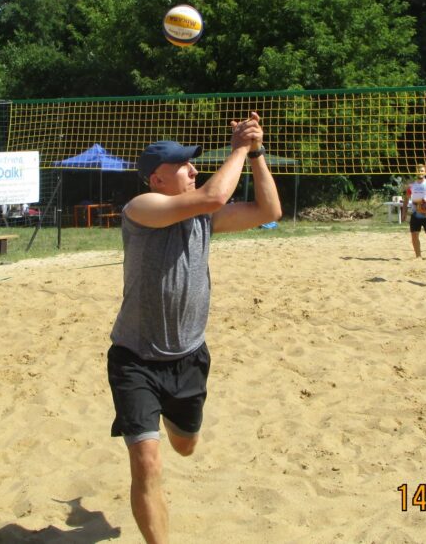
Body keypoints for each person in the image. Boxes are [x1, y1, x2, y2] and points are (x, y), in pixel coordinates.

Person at [108, 112, 281, 543]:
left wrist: (256, 152)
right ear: (158, 179)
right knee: (148, 463)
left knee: (185, 445)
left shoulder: (203, 218)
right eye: (184, 164)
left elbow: (269, 210)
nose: (194, 168)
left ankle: (171, 419)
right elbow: (211, 197)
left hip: (188, 358)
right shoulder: (141, 207)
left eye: (193, 163)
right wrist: (239, 145)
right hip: (135, 360)